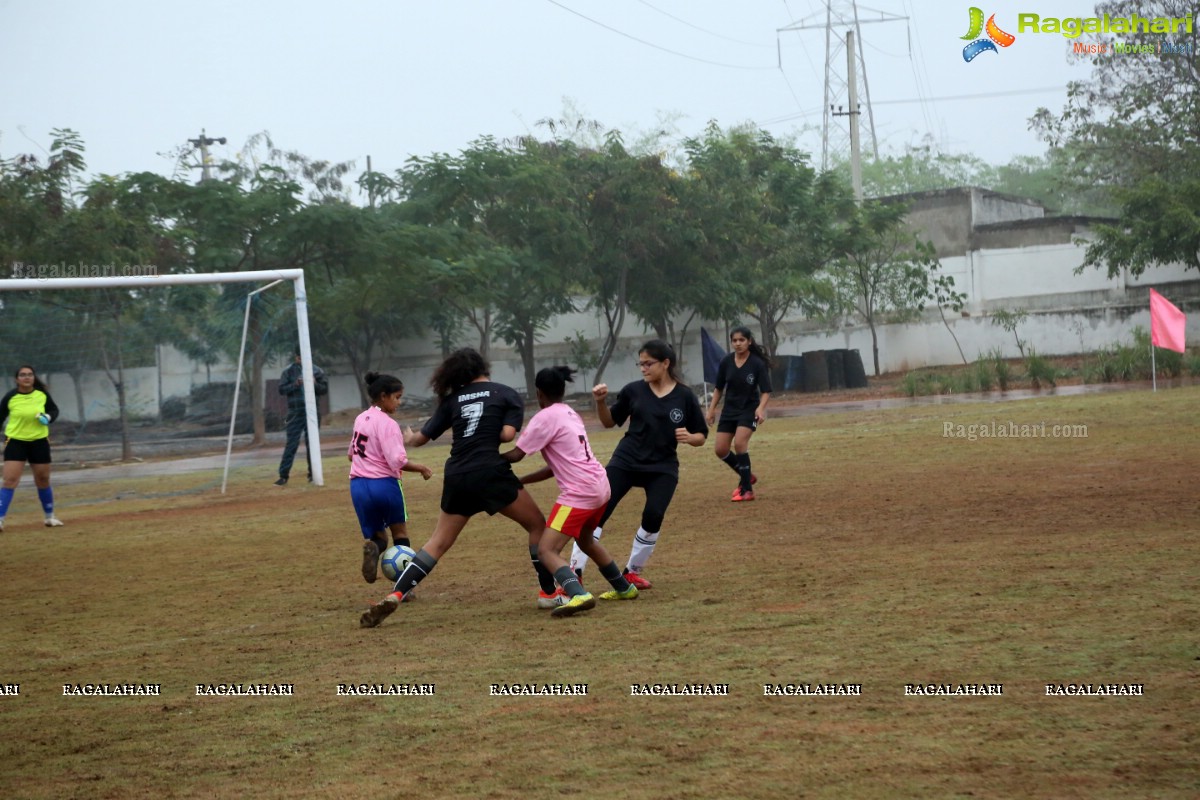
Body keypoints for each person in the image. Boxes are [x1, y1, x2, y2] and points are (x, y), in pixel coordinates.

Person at [359, 348, 556, 628]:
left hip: (457, 474)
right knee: (537, 525)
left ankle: (396, 593)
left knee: (438, 543)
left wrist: (410, 436)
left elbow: (420, 439)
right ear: (483, 367)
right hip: (490, 471)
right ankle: (548, 593)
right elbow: (507, 435)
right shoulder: (506, 394)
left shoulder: (452, 400)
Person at [569, 339, 708, 590]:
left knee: (654, 514)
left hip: (662, 466)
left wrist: (691, 438)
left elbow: (702, 435)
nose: (643, 368)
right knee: (598, 511)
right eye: (640, 363)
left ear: (665, 364)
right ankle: (574, 571)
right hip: (626, 461)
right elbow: (610, 422)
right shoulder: (633, 390)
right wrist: (600, 402)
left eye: (648, 363)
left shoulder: (684, 395)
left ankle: (632, 571)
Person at [502, 366, 639, 618]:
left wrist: (489, 460)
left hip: (579, 494)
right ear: (563, 390)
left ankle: (578, 594)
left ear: (539, 393)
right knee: (586, 541)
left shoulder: (544, 418)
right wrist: (522, 481)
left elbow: (517, 454)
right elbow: (556, 466)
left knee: (546, 550)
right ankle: (623, 587)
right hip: (601, 485)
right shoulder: (569, 412)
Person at [349, 372, 433, 584]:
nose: (399, 402)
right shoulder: (388, 424)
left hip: (358, 486)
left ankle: (374, 549)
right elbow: (397, 461)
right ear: (384, 396)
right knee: (400, 535)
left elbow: (351, 454)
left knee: (380, 538)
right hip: (384, 485)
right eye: (397, 397)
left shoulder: (361, 419)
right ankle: (404, 586)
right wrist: (422, 468)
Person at [705, 326, 772, 502]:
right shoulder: (726, 362)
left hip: (750, 410)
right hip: (729, 411)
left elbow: (766, 391)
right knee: (720, 450)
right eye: (734, 340)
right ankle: (746, 475)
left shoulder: (757, 363)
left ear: (749, 341)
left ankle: (747, 490)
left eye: (741, 340)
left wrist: (761, 408)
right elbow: (719, 388)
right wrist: (711, 409)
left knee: (740, 443)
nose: (738, 343)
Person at [0, 365, 64, 530]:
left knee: (43, 479)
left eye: (30, 374)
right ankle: (0, 519)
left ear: (34, 378)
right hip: (15, 442)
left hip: (39, 442)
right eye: (23, 375)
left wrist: (48, 417)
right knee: (9, 480)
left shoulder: (42, 395)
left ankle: (50, 517)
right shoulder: (10, 397)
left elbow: (54, 410)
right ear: (17, 379)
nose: (27, 377)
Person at [275, 350, 328, 486]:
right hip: (294, 412)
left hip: (312, 412)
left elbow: (324, 389)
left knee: (312, 444)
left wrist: (315, 383)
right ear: (296, 357)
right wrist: (295, 384)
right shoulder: (288, 371)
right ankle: (283, 475)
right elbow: (281, 390)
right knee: (291, 444)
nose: (301, 360)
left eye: (304, 357)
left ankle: (313, 474)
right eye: (299, 357)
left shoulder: (317, 370)